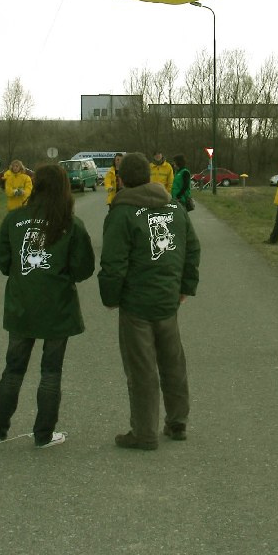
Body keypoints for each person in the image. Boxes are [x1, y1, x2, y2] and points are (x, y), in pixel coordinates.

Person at [0, 164, 95, 448]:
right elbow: (83, 269)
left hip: (22, 305)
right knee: (51, 371)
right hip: (58, 306)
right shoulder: (71, 224)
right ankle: (43, 433)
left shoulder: (14, 220)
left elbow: (5, 263)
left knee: (14, 367)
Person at [98, 151, 200, 450]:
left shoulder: (121, 212)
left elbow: (113, 263)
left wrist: (110, 297)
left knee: (142, 368)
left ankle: (144, 433)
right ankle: (177, 421)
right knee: (173, 362)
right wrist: (185, 286)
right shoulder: (175, 207)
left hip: (137, 303)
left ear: (121, 179)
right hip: (168, 299)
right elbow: (192, 248)